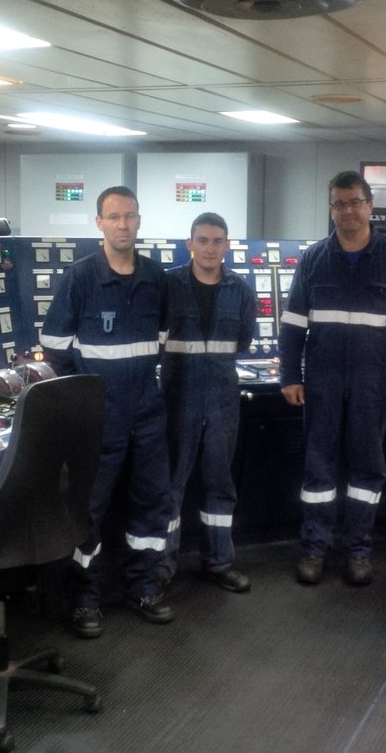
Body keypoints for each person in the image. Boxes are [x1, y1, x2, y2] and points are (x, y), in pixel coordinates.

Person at [278, 170, 386, 587]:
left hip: (371, 382)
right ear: (332, 209)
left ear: (370, 206)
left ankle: (359, 549)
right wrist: (290, 374)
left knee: (366, 468)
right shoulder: (313, 259)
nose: (348, 210)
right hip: (321, 381)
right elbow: (292, 326)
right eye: (340, 203)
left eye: (355, 202)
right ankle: (315, 548)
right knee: (318, 469)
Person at [39, 186, 174, 638]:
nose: (122, 225)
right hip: (100, 414)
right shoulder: (80, 278)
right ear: (99, 222)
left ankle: (143, 587)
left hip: (147, 411)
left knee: (152, 503)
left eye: (130, 216)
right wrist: (85, 391)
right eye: (113, 217)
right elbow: (55, 345)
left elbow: (163, 336)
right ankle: (85, 598)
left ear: (139, 221)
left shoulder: (156, 277)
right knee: (90, 510)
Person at [159, 212, 258, 593]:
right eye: (203, 240)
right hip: (177, 399)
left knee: (220, 484)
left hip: (221, 400)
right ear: (190, 245)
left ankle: (218, 562)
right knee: (171, 486)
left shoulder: (241, 290)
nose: (210, 248)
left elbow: (244, 341)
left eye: (217, 241)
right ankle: (162, 567)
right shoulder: (169, 286)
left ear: (227, 245)